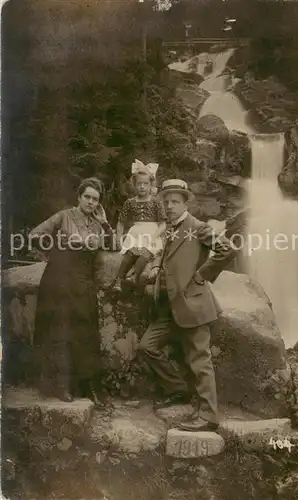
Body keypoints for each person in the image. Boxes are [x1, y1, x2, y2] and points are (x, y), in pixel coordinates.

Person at [138, 179, 239, 432]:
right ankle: (178, 389)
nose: (169, 206)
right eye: (166, 201)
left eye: (175, 201)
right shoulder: (170, 229)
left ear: (185, 203)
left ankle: (209, 416)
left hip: (193, 305)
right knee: (147, 347)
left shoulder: (198, 227)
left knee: (200, 361)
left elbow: (227, 249)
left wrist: (202, 276)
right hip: (168, 308)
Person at [30, 177, 113, 406]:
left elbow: (114, 245)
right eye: (87, 197)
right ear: (79, 197)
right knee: (61, 331)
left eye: (95, 199)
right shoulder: (64, 216)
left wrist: (105, 223)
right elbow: (35, 236)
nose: (90, 202)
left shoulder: (97, 224)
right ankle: (61, 386)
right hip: (59, 280)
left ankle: (89, 386)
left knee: (86, 332)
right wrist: (58, 249)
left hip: (83, 281)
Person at [113, 159, 167, 291]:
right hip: (135, 234)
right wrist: (119, 238)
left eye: (145, 184)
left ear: (151, 185)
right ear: (134, 184)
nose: (142, 187)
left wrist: (154, 236)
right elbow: (121, 222)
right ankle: (118, 281)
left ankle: (133, 277)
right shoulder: (130, 202)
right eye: (139, 184)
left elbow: (163, 223)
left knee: (144, 255)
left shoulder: (156, 202)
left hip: (151, 234)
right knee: (129, 256)